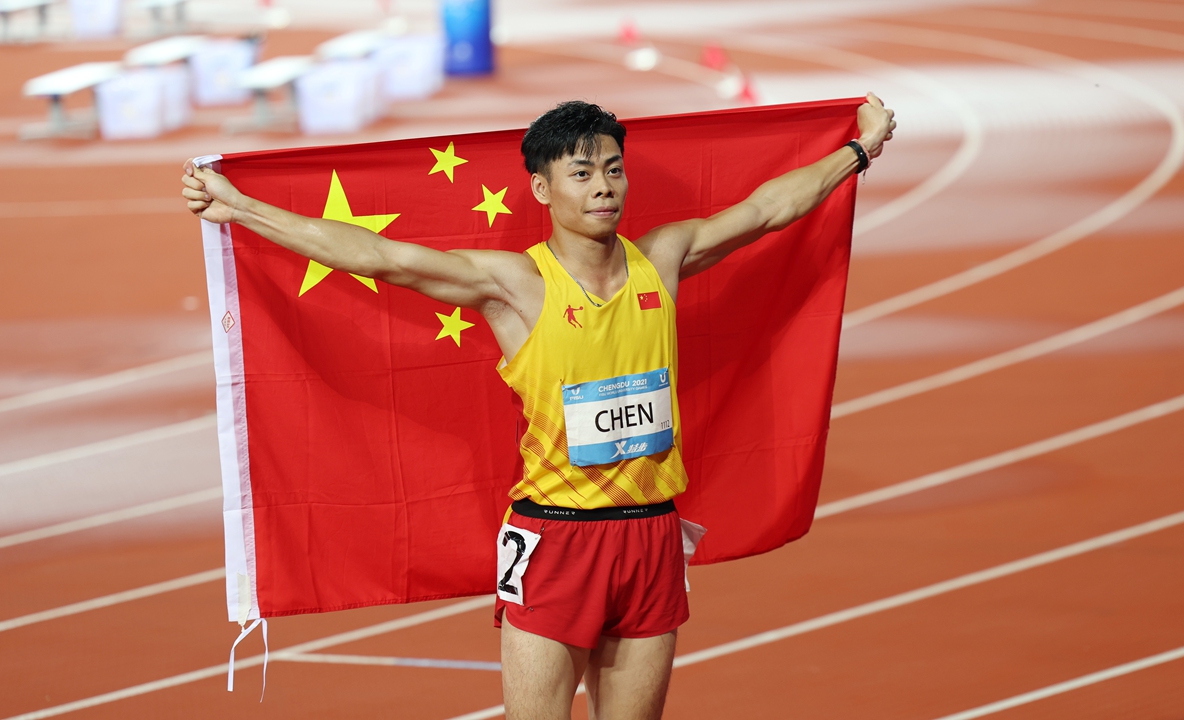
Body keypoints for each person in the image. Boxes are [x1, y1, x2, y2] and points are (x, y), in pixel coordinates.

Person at [182, 95, 895, 720]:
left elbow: (770, 209)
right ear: (542, 188)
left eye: (613, 168)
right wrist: (238, 207)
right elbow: (381, 257)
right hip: (555, 540)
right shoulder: (517, 286)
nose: (604, 187)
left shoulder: (664, 258)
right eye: (581, 174)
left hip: (649, 537)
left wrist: (859, 149)